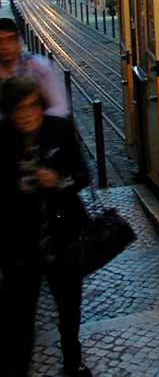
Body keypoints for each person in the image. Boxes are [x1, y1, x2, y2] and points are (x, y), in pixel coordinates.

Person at [0, 77, 92, 376]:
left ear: (41, 106)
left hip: (62, 232)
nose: (27, 114)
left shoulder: (59, 130)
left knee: (69, 305)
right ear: (10, 113)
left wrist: (58, 182)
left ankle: (72, 361)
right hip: (19, 243)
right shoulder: (2, 140)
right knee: (20, 312)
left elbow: (82, 176)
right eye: (19, 109)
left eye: (33, 107)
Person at [0, 18, 70, 122]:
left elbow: (60, 107)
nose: (5, 46)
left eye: (10, 39)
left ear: (19, 41)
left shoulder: (40, 67)